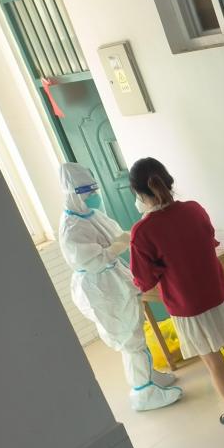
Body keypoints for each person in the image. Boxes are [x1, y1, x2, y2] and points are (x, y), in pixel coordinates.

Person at [127, 158, 224, 427]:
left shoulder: (142, 232)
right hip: (217, 295)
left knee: (214, 364)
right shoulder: (194, 209)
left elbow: (143, 281)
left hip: (187, 308)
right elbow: (209, 240)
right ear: (168, 181)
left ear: (137, 192)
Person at [58, 163, 182, 412]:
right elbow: (91, 260)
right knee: (129, 338)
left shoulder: (92, 216)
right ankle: (143, 391)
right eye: (87, 192)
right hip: (99, 288)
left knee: (136, 328)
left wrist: (130, 237)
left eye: (93, 190)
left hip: (113, 277)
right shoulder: (71, 227)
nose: (93, 196)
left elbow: (117, 235)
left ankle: (148, 375)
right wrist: (119, 244)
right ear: (73, 194)